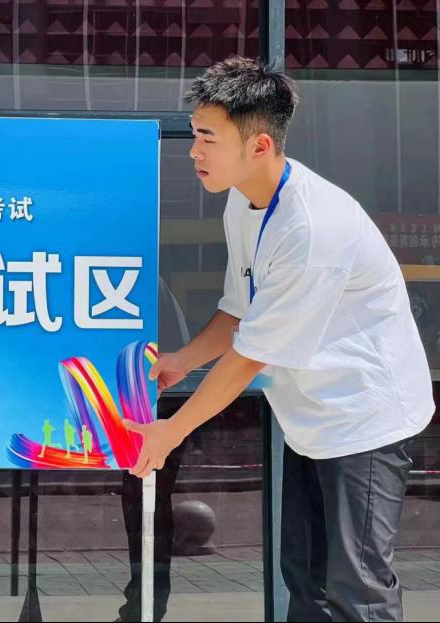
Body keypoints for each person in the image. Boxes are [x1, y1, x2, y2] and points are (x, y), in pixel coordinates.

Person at [125, 56, 434, 621]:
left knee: (358, 589)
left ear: (260, 145)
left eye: (208, 138)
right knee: (305, 579)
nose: (193, 151)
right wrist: (183, 359)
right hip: (310, 418)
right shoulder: (244, 200)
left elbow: (250, 357)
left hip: (364, 418)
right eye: (195, 134)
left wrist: (171, 431)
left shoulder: (311, 229)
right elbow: (239, 310)